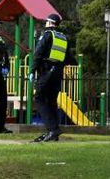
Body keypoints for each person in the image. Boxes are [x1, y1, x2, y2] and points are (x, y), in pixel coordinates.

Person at [30, 13, 68, 143]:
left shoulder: (47, 35)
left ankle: (53, 130)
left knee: (39, 99)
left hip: (46, 72)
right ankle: (53, 132)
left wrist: (32, 70)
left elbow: (38, 53)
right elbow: (70, 58)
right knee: (52, 102)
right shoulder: (63, 37)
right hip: (58, 73)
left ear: (49, 23)